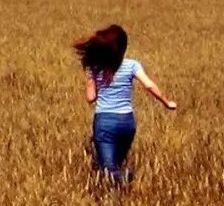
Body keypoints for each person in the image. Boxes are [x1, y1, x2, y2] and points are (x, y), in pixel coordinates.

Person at [74, 24, 177, 185]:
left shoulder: (96, 68)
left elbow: (90, 98)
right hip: (127, 123)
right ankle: (118, 198)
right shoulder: (132, 65)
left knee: (108, 171)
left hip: (105, 122)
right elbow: (148, 85)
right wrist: (167, 102)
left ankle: (130, 176)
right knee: (115, 165)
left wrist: (91, 79)